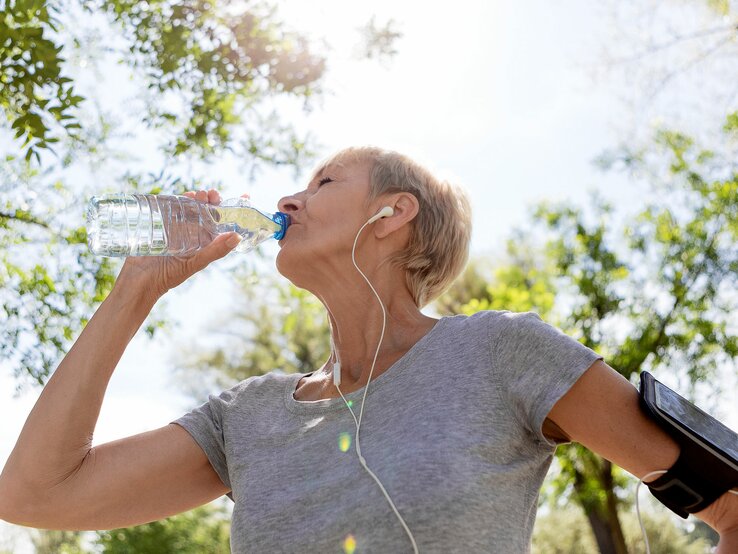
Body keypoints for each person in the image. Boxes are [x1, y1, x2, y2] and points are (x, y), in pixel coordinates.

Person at [0, 146, 736, 552]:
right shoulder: (246, 416)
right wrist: (135, 292)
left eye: (321, 182)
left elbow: (731, 507)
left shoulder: (503, 352)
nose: (286, 202)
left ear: (393, 213)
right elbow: (33, 495)